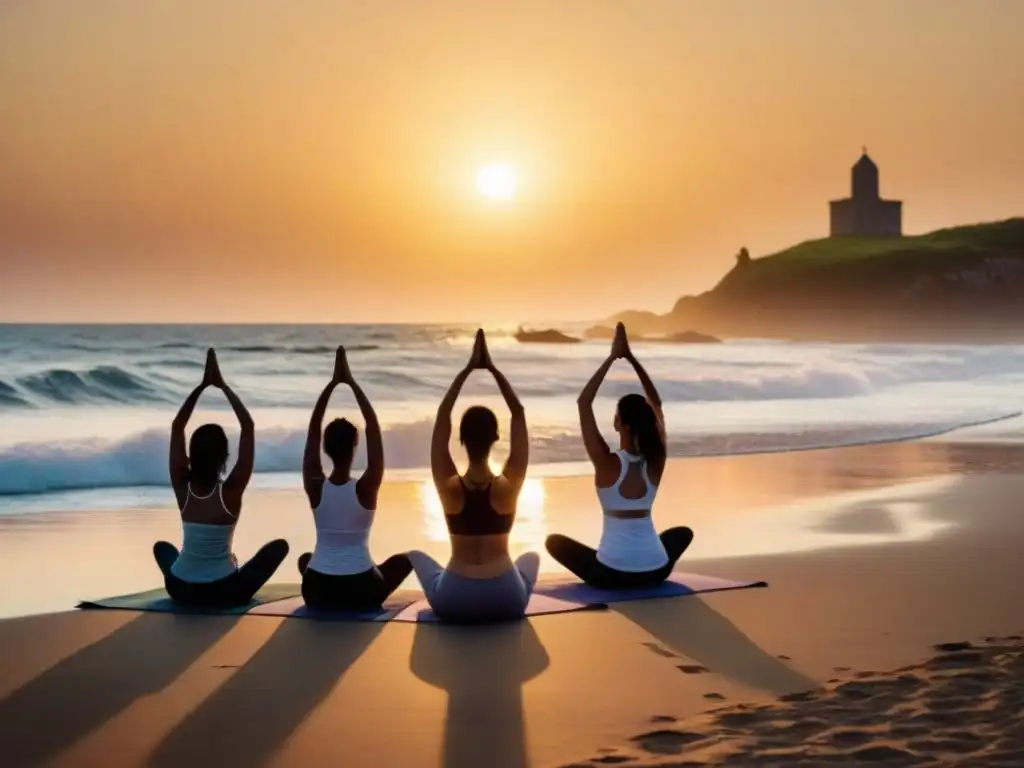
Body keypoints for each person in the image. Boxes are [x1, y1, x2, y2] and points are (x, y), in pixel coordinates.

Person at [545, 323, 693, 589]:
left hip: (611, 576)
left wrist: (612, 357)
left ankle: (628, 559)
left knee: (553, 543)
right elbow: (656, 404)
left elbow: (583, 403)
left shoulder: (606, 462)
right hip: (656, 572)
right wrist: (631, 358)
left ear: (619, 424)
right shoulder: (656, 460)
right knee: (682, 534)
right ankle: (645, 556)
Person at [407, 329, 539, 623]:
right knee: (531, 559)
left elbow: (443, 416)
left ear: (462, 439)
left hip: (455, 600)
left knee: (416, 555)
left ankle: (447, 581)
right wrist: (491, 368)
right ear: (495, 438)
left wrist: (466, 370)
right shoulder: (509, 487)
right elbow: (518, 412)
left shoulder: (448, 487)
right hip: (506, 599)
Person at [155, 349, 289, 607]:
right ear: (224, 456)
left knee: (162, 548)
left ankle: (193, 571)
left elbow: (177, 426)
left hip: (180, 589)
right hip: (225, 593)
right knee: (278, 547)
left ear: (191, 455)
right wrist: (223, 387)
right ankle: (224, 567)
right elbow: (248, 427)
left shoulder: (183, 487)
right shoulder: (231, 491)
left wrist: (201, 386)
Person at [297, 346, 413, 611]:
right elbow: (373, 427)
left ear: (325, 449)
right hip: (362, 590)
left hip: (316, 590)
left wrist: (331, 385)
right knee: (405, 560)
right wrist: (350, 382)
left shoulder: (315, 486)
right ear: (355, 448)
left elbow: (313, 431)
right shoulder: (367, 486)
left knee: (306, 560)